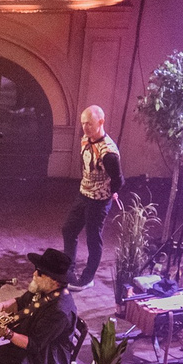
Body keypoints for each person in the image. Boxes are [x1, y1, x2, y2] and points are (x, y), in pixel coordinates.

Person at [58, 106, 122, 289]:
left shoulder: (108, 152)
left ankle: (87, 277)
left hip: (99, 200)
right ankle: (68, 270)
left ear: (101, 122)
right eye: (83, 123)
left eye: (90, 124)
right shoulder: (86, 139)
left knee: (93, 239)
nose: (85, 127)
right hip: (84, 194)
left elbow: (119, 179)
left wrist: (110, 193)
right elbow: (84, 164)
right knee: (68, 229)